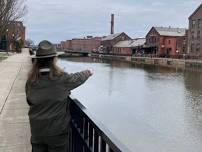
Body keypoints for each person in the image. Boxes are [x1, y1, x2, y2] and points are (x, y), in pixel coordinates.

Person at [25, 40, 93, 152]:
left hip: (37, 130)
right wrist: (88, 72)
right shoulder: (61, 79)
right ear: (53, 60)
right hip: (57, 132)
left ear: (37, 61)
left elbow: (29, 100)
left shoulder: (31, 81)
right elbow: (76, 78)